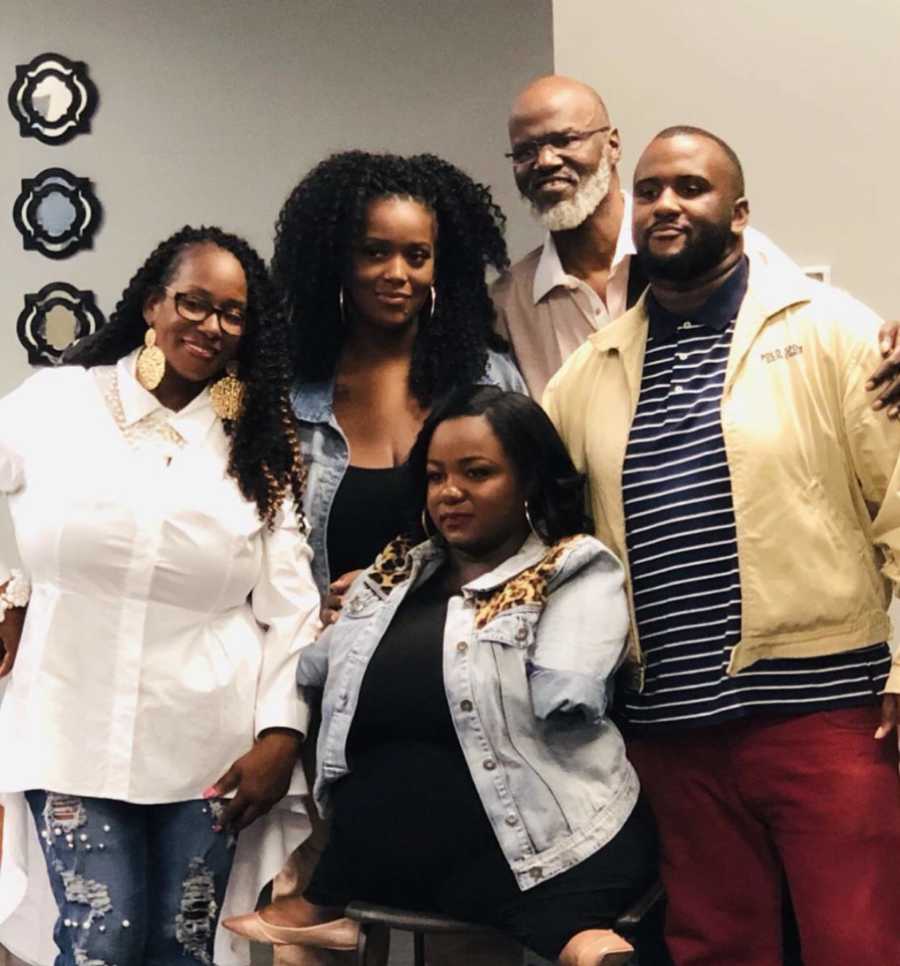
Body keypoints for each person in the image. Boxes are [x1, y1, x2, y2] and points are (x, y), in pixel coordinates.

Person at [544, 127, 900, 966]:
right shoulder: (587, 372)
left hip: (824, 712)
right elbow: (540, 531)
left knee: (858, 946)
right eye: (650, 190)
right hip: (669, 728)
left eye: (691, 188)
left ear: (739, 215)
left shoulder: (835, 333)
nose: (666, 203)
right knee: (716, 951)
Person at [226, 385, 658, 966]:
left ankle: (585, 945)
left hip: (547, 841)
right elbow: (318, 666)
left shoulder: (571, 567)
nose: (449, 492)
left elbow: (567, 689)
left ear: (529, 480)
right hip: (408, 851)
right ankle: (324, 899)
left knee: (566, 930)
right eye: (434, 477)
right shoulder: (395, 571)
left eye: (476, 473)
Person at [0, 226, 321, 966]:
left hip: (207, 747)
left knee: (182, 948)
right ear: (153, 305)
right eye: (193, 303)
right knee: (101, 941)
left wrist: (281, 736)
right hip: (67, 726)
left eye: (232, 314)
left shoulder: (255, 443)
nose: (210, 326)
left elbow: (292, 606)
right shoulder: (58, 403)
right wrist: (12, 591)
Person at [250, 149, 528, 966]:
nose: (397, 272)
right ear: (335, 256)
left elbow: (533, 531)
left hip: (458, 691)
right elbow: (237, 527)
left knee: (466, 929)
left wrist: (395, 595)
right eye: (375, 250)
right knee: (318, 933)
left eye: (418, 253)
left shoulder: (486, 375)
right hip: (325, 695)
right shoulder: (284, 387)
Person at [493, 74, 900, 406]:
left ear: (613, 144)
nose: (545, 161)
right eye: (526, 150)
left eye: (564, 140)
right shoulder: (509, 302)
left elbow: (824, 331)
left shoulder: (718, 248)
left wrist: (888, 346)